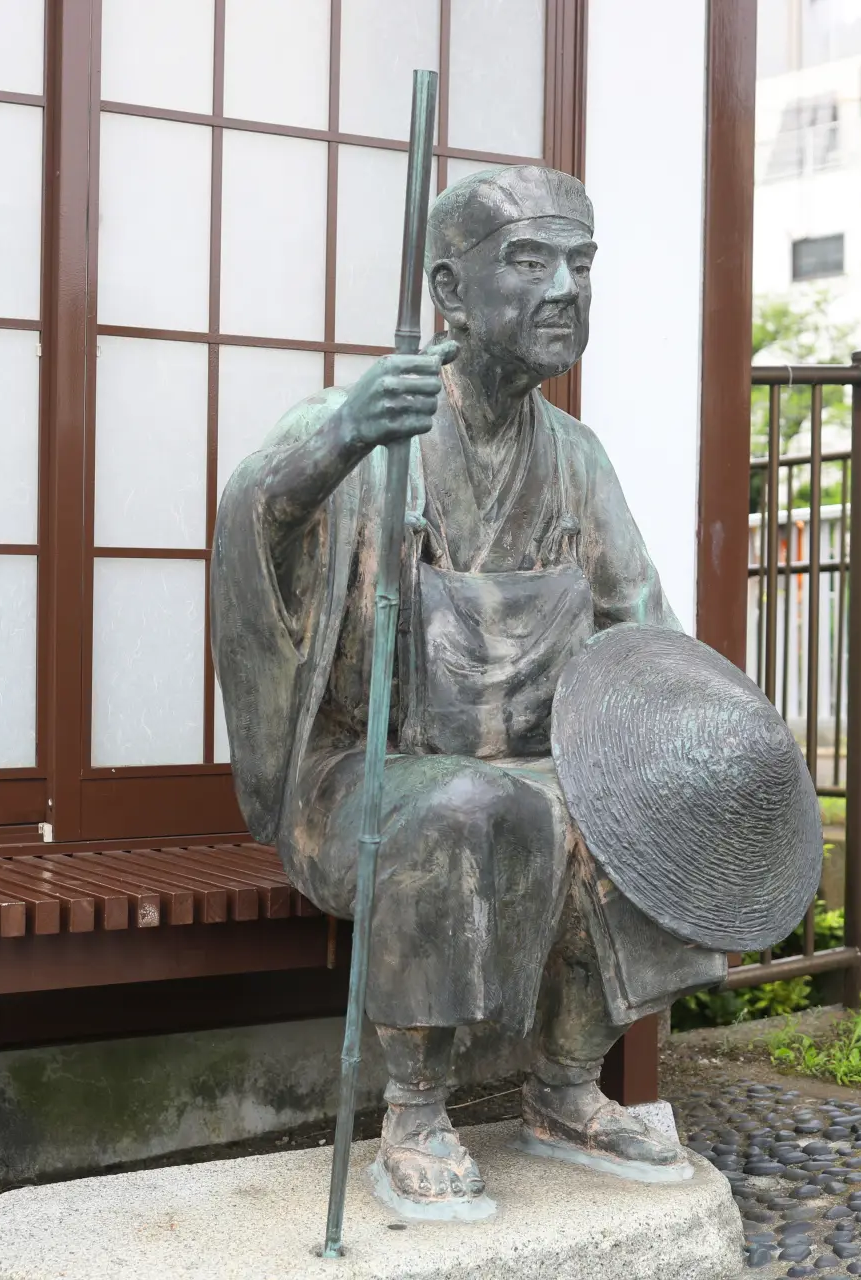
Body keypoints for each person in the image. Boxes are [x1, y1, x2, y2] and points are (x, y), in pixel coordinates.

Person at [212, 166, 723, 1215]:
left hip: (533, 763)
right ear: (450, 289)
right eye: (531, 262)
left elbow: (643, 630)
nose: (566, 288)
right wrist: (344, 437)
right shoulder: (366, 425)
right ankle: (415, 1109)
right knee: (464, 801)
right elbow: (252, 525)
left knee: (641, 799)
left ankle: (567, 1086)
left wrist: (705, 735)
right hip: (365, 769)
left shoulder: (577, 459)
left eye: (581, 264)